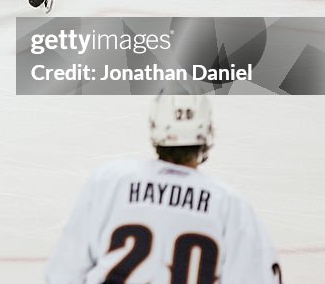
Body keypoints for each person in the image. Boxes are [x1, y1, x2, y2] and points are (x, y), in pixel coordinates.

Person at [45, 94, 284, 284]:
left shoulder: (109, 182)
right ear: (207, 134)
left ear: (155, 127)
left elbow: (65, 271)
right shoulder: (230, 205)